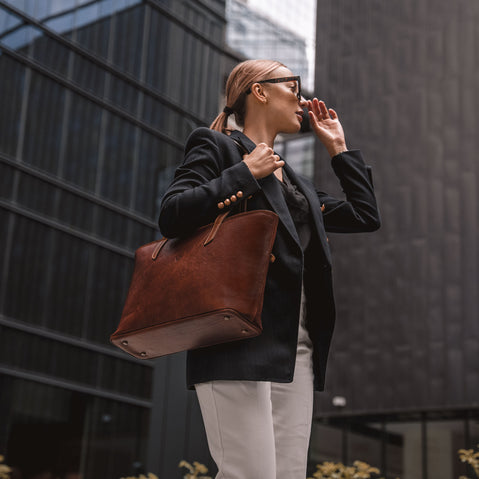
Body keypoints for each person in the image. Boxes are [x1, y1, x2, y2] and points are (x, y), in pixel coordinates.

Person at [158, 59, 380, 479]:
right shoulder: (216, 146)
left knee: (288, 474)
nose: (303, 98)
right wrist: (245, 173)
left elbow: (364, 216)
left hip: (295, 349)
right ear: (259, 91)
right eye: (293, 87)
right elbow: (172, 214)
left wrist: (338, 149)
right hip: (235, 338)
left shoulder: (292, 180)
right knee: (250, 473)